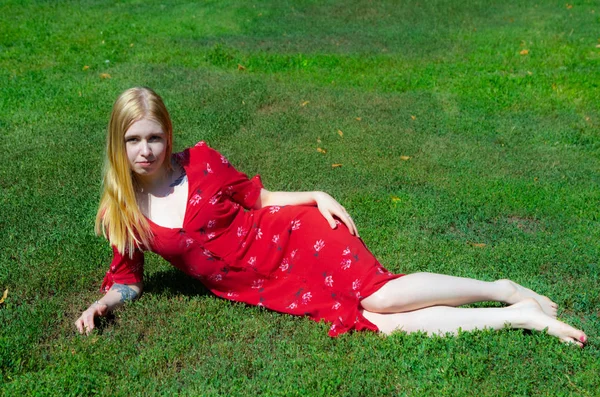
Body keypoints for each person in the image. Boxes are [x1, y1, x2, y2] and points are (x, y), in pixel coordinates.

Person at [75, 87, 587, 347]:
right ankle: (517, 316)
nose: (146, 150)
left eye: (154, 137)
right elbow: (128, 279)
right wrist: (103, 303)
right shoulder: (124, 213)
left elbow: (259, 196)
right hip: (268, 285)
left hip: (295, 237)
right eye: (133, 139)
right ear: (118, 145)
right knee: (380, 325)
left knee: (378, 295)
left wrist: (316, 194)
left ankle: (502, 287)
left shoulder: (202, 162)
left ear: (168, 134)